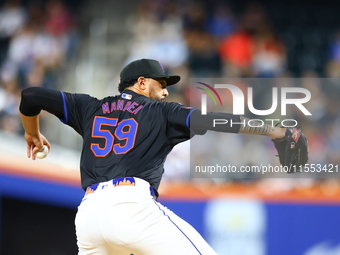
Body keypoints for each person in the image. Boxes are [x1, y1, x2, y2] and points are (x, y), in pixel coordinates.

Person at [19, 58, 286, 254]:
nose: (166, 91)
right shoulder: (163, 112)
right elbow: (214, 120)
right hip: (131, 207)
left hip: (88, 216)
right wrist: (275, 131)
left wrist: (32, 133)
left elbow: (30, 96)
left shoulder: (89, 106)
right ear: (142, 83)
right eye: (161, 84)